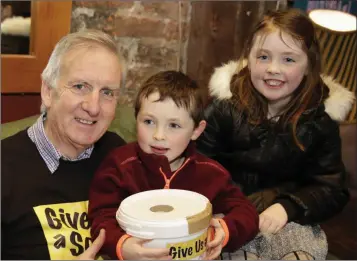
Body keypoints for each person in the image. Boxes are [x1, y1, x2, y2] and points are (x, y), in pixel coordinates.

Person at [196, 8, 354, 260]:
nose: (273, 69)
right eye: (263, 57)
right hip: (230, 213)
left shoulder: (320, 122)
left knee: (300, 252)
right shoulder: (224, 110)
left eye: (288, 59)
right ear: (248, 58)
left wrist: (287, 206)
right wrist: (234, 205)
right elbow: (199, 168)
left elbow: (331, 187)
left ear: (308, 65)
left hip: (291, 219)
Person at [88, 71, 259, 260]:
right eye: (149, 122)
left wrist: (226, 230)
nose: (159, 135)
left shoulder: (211, 173)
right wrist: (121, 245)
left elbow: (246, 212)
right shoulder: (119, 166)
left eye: (174, 126)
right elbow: (100, 217)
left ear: (196, 130)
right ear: (135, 120)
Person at [1, 29, 127, 260]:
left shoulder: (119, 155)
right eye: (80, 87)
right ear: (48, 91)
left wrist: (210, 221)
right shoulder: (4, 168)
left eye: (107, 92)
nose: (94, 107)